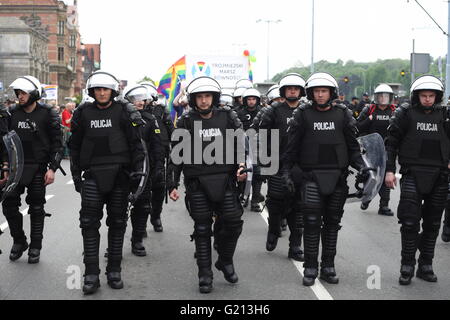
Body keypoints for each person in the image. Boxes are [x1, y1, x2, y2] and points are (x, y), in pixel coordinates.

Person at [282, 72, 370, 286]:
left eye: (324, 91)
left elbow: (352, 147)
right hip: (310, 178)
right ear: (310, 93)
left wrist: (362, 167)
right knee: (311, 224)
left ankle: (328, 267)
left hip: (337, 178)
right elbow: (291, 148)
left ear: (332, 93)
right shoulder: (302, 114)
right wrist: (285, 172)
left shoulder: (343, 114)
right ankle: (310, 268)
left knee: (332, 224)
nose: (320, 95)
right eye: (316, 91)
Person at [167, 76, 247, 294]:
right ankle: (205, 274)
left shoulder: (228, 117)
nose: (203, 101)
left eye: (207, 96)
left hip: (226, 180)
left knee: (233, 223)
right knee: (202, 230)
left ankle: (225, 260)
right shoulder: (185, 121)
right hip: (198, 183)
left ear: (214, 97)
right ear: (193, 99)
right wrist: (172, 183)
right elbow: (176, 156)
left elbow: (240, 144)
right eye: (199, 97)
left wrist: (242, 165)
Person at [69, 70, 146, 294]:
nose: (102, 92)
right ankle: (91, 274)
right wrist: (76, 176)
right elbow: (74, 146)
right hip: (92, 175)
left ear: (113, 91)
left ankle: (114, 270)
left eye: (105, 89)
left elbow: (137, 147)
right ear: (92, 91)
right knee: (89, 224)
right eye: (98, 89)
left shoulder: (125, 110)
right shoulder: (82, 112)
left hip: (120, 177)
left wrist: (137, 177)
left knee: (118, 224)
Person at [385, 75, 450, 285]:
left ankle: (426, 265)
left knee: (432, 224)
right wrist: (388, 171)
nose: (428, 99)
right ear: (417, 96)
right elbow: (391, 143)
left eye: (432, 96)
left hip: (439, 176)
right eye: (424, 96)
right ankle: (407, 266)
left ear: (437, 96)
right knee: (410, 222)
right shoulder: (405, 114)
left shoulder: (446, 115)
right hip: (412, 173)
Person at [2, 75, 63, 264]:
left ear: (34, 93)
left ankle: (36, 246)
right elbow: (3, 142)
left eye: (24, 93)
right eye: (18, 93)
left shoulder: (48, 113)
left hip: (38, 168)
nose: (20, 96)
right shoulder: (11, 113)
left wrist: (52, 168)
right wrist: (4, 167)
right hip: (15, 169)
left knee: (37, 208)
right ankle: (19, 241)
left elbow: (57, 144)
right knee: (9, 206)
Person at [257, 73, 306, 262]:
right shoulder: (274, 110)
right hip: (276, 164)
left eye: (295, 88)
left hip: (299, 166)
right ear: (283, 91)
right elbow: (261, 135)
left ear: (301, 91)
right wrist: (263, 160)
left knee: (298, 208)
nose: (292, 90)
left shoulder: (306, 110)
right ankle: (273, 229)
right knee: (275, 202)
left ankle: (295, 246)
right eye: (289, 88)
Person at [123, 84, 162, 255]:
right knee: (117, 209)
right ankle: (114, 245)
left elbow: (157, 146)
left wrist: (157, 167)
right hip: (123, 169)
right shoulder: (122, 117)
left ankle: (137, 240)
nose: (139, 102)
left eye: (141, 99)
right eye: (134, 99)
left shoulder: (150, 119)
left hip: (144, 170)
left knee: (143, 206)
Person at [357, 84, 396, 216]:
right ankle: (367, 198)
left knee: (386, 176)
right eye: (381, 96)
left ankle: (384, 205)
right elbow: (357, 128)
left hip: (387, 149)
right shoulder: (368, 110)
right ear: (376, 97)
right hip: (371, 150)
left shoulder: (395, 111)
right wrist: (368, 120)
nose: (383, 99)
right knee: (370, 176)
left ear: (390, 97)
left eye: (386, 96)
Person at [144, 82, 175, 233]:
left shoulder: (161, 110)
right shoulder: (133, 111)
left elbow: (171, 131)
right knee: (140, 190)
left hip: (159, 154)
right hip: (140, 156)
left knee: (158, 187)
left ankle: (156, 215)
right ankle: (140, 225)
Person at [237, 88, 265, 212]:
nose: (251, 101)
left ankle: (255, 201)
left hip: (258, 146)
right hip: (242, 145)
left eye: (254, 99)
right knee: (244, 172)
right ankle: (244, 196)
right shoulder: (238, 112)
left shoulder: (264, 112)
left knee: (258, 174)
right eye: (249, 99)